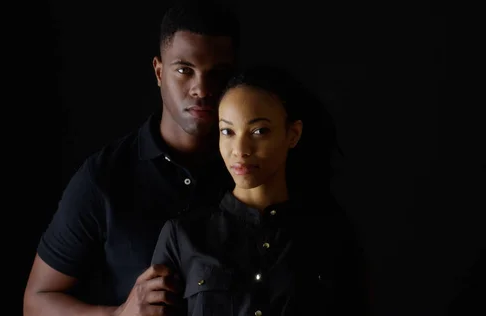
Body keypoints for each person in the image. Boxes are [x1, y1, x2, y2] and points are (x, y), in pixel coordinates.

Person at [23, 2, 240, 316]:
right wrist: (119, 313)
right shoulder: (105, 177)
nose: (201, 88)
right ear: (158, 71)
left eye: (217, 74)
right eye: (184, 70)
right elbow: (36, 301)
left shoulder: (252, 167)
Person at [151, 65, 369, 315]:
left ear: (293, 134)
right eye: (227, 131)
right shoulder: (182, 236)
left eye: (259, 131)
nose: (240, 149)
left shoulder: (331, 235)